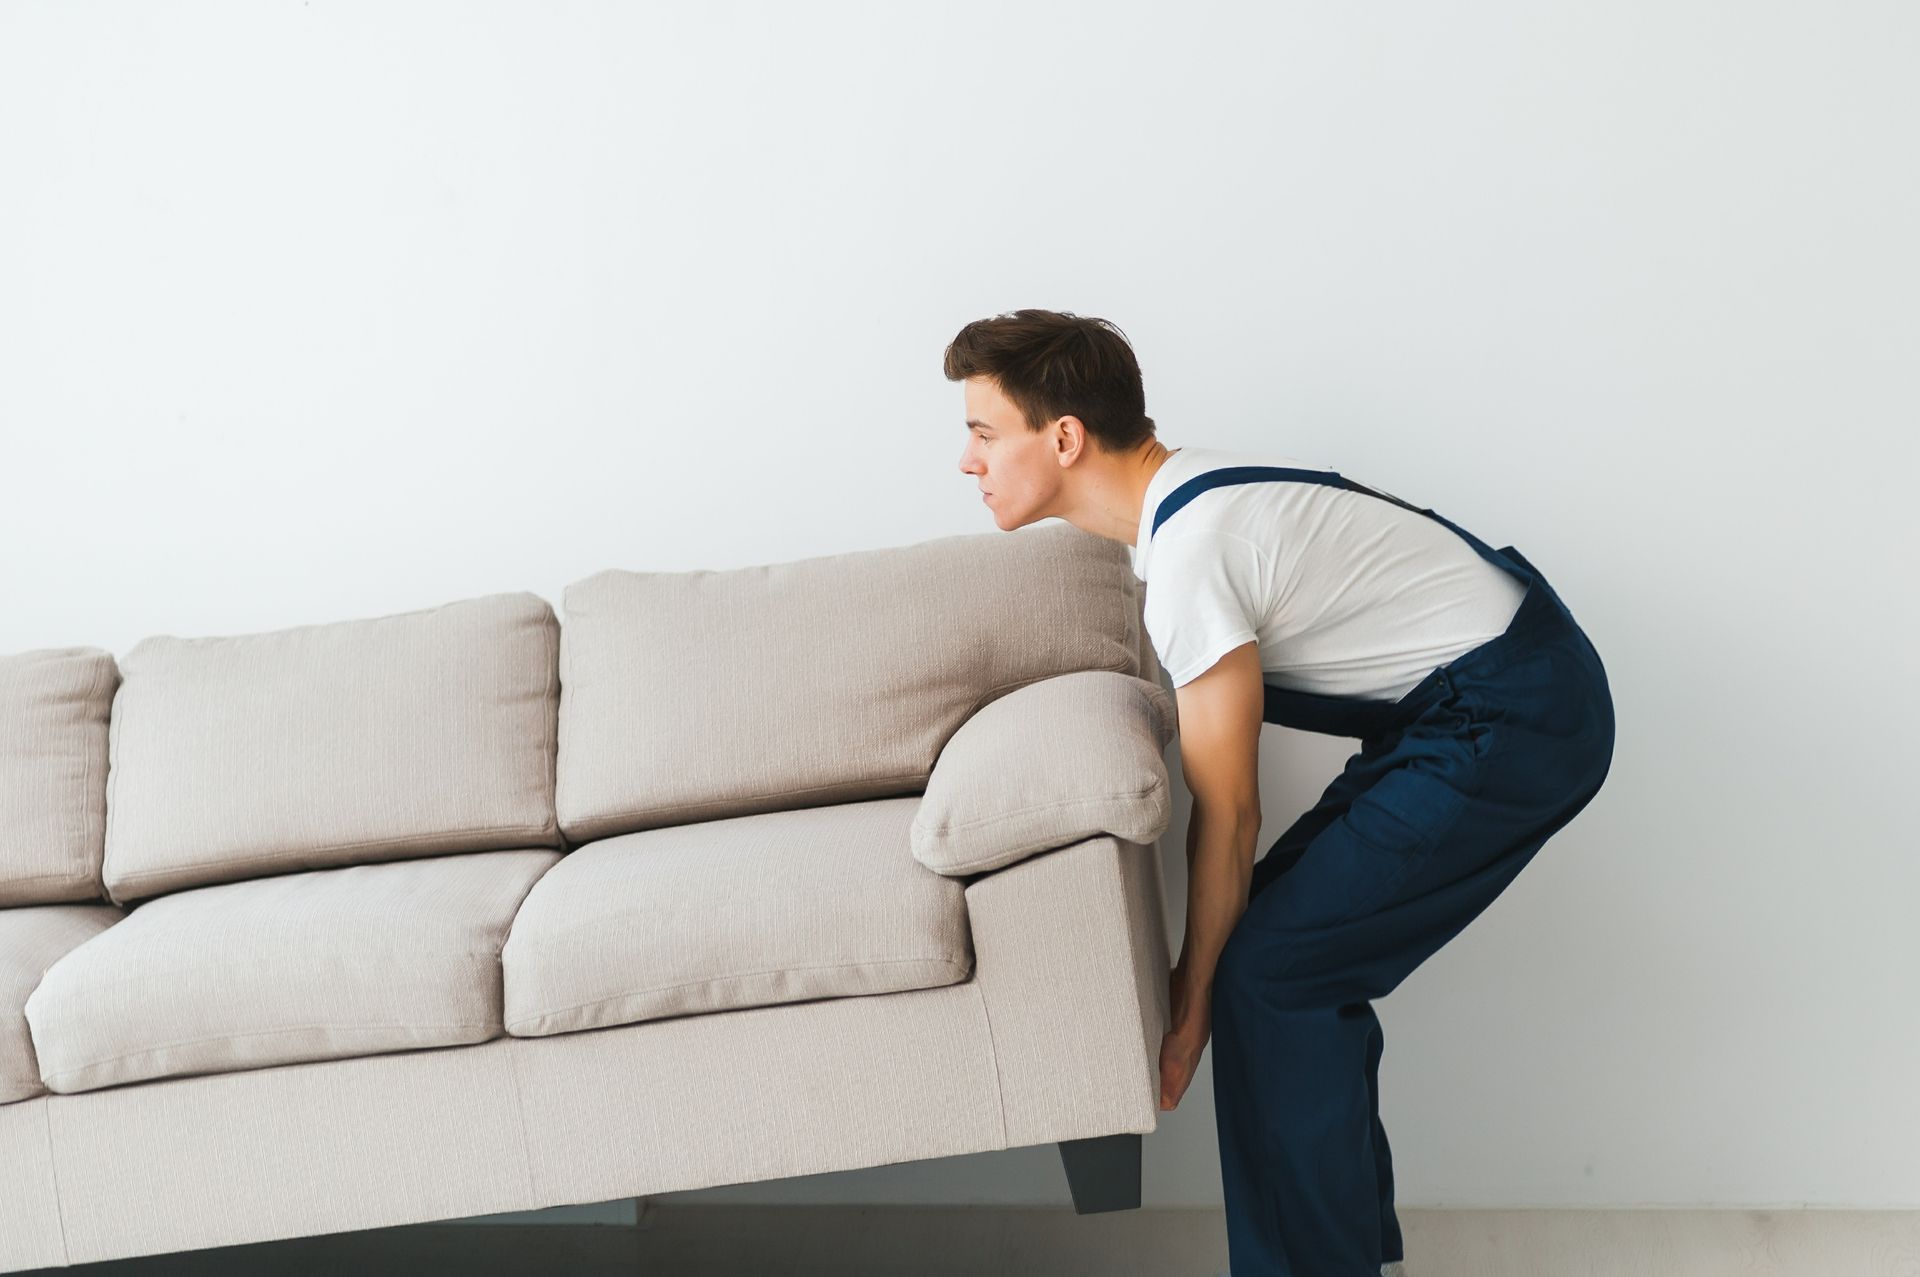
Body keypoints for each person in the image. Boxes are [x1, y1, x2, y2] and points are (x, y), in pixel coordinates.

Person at [946, 309, 1617, 1277]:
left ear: (1063, 438)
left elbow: (1228, 816)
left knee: (1271, 972)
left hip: (1514, 712)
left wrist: (1189, 1009)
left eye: (981, 432)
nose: (967, 461)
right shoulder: (1187, 506)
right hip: (1473, 704)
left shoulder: (1191, 553)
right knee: (1279, 965)